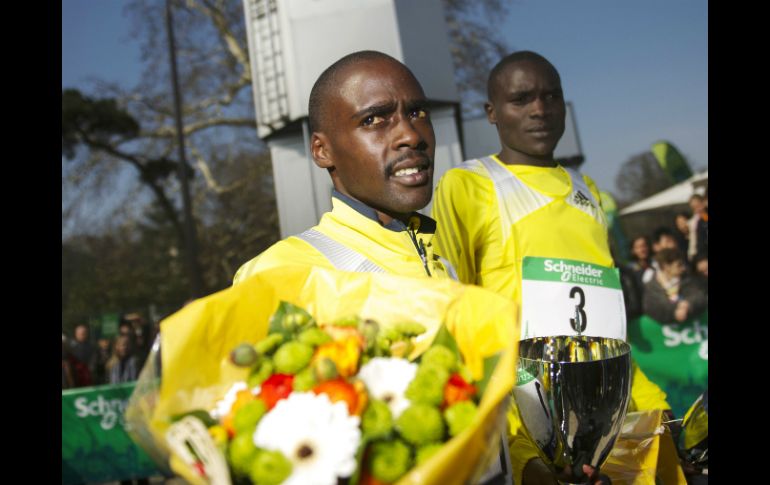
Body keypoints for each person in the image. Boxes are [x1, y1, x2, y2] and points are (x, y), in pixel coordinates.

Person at [431, 51, 675, 484]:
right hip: (524, 433)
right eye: (521, 99)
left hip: (609, 421)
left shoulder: (588, 191)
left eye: (551, 96)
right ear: (492, 112)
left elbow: (606, 329)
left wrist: (658, 410)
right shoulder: (468, 185)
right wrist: (523, 454)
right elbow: (459, 328)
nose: (540, 109)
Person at [234, 51, 455, 283]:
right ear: (322, 151)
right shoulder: (278, 274)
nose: (411, 136)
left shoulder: (447, 269)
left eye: (417, 113)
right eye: (373, 120)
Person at [642, 248, 708, 324]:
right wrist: (674, 311)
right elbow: (652, 308)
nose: (683, 268)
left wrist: (688, 305)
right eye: (679, 265)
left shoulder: (687, 279)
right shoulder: (653, 287)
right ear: (666, 266)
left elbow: (699, 296)